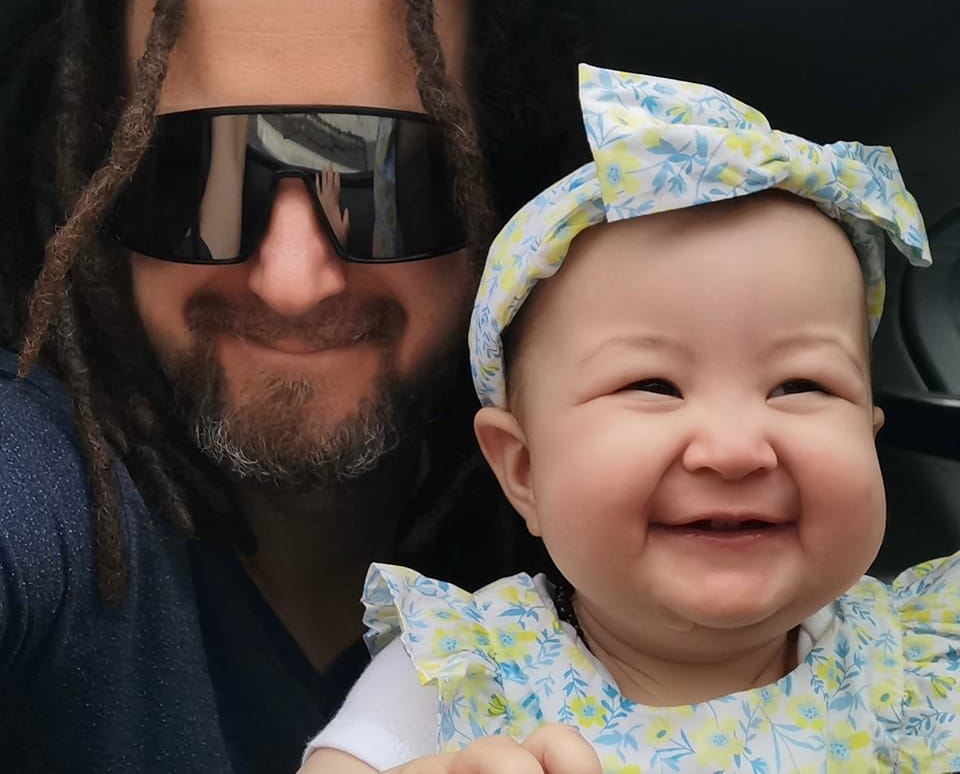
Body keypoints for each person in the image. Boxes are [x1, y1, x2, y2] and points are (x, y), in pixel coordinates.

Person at [0, 0, 587, 772]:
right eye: (201, 178)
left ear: (500, 195)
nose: (293, 282)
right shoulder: (39, 482)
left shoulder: (627, 538)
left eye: (381, 181)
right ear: (98, 196)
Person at [301, 64, 960, 773]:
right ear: (524, 470)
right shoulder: (458, 670)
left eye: (801, 386)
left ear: (868, 436)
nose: (735, 448)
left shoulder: (926, 661)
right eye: (653, 385)